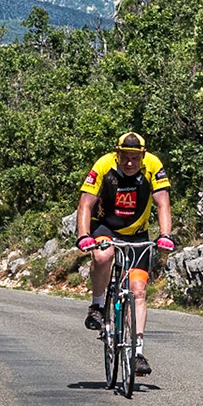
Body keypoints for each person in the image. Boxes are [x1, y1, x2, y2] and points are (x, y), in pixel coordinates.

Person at [75, 131, 175, 376]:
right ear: (117, 154)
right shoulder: (103, 164)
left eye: (135, 158)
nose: (130, 163)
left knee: (139, 291)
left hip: (137, 233)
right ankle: (98, 306)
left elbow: (163, 203)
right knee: (103, 255)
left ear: (143, 156)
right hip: (105, 227)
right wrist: (83, 235)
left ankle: (137, 352)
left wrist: (165, 235)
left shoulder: (153, 165)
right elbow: (85, 204)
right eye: (125, 158)